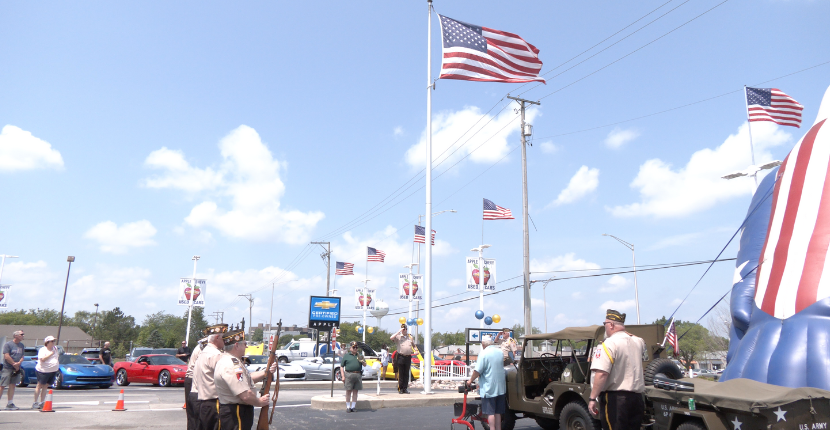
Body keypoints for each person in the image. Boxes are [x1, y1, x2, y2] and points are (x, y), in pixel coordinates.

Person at [588, 309, 647, 430]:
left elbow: (601, 374)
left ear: (611, 325)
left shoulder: (608, 344)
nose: (605, 327)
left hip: (616, 400)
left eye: (605, 324)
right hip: (637, 398)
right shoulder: (639, 341)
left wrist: (592, 398)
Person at [215, 330, 276, 430]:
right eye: (244, 344)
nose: (246, 347)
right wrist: (259, 402)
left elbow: (245, 380)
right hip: (236, 412)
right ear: (236, 345)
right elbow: (245, 395)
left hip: (234, 411)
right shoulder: (232, 365)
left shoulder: (228, 361)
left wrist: (266, 372)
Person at [194, 324, 228, 430]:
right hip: (214, 402)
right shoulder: (216, 355)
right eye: (224, 338)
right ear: (217, 338)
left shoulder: (204, 352)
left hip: (204, 401)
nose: (226, 341)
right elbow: (228, 377)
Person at [467, 336, 506, 430]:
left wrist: (470, 381)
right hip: (501, 387)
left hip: (489, 388)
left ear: (483, 344)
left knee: (490, 412)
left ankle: (492, 429)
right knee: (498, 412)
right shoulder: (500, 352)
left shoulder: (483, 353)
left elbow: (477, 371)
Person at [185, 334, 210, 430]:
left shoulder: (202, 345)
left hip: (192, 379)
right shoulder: (205, 346)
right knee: (197, 417)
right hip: (195, 380)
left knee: (193, 418)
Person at [0, 330, 25, 410]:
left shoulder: (21, 345)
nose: (23, 336)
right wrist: (14, 364)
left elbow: (22, 356)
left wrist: (19, 364)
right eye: (21, 334)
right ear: (16, 336)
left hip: (16, 368)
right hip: (7, 368)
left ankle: (10, 403)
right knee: (2, 385)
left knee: (12, 385)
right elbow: (6, 356)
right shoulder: (8, 344)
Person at [33, 336, 60, 409]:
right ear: (47, 342)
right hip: (43, 370)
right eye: (52, 341)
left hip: (52, 370)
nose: (53, 342)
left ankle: (42, 402)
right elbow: (42, 359)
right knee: (39, 385)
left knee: (46, 386)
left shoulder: (55, 348)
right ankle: (35, 402)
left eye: (54, 341)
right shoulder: (43, 350)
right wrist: (51, 354)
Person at [340, 341, 365, 412]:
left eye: (356, 347)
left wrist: (362, 361)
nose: (355, 349)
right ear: (350, 348)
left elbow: (364, 365)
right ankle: (348, 407)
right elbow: (342, 366)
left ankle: (353, 406)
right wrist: (343, 376)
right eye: (354, 347)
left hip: (357, 374)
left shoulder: (359, 355)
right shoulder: (346, 356)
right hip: (348, 374)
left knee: (355, 391)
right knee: (348, 391)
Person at [390, 324, 414, 394]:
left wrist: (415, 350)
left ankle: (405, 388)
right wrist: (399, 331)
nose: (405, 330)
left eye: (405, 329)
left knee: (406, 373)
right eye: (403, 329)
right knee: (401, 373)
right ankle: (400, 388)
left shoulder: (410, 337)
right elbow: (391, 338)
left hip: (408, 356)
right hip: (401, 356)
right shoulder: (398, 337)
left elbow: (413, 345)